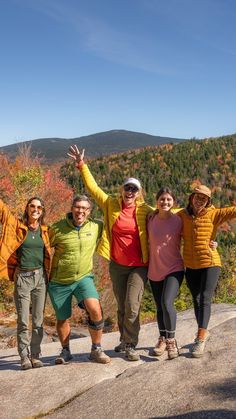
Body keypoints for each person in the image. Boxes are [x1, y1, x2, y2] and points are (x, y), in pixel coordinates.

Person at [68, 145, 153, 361]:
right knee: (122, 305)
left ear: (139, 192)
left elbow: (169, 216)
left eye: (134, 189)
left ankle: (131, 344)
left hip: (139, 265)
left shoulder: (146, 210)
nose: (130, 192)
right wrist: (81, 165)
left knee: (132, 305)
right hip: (117, 264)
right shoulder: (110, 204)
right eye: (127, 188)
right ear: (122, 190)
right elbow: (93, 187)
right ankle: (124, 340)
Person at [48, 194, 110, 364]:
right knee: (62, 318)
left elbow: (115, 224)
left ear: (89, 211)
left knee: (95, 309)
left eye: (84, 208)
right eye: (77, 207)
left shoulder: (96, 226)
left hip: (84, 278)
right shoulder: (57, 228)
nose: (80, 211)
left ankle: (96, 349)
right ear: (72, 208)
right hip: (59, 281)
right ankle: (65, 351)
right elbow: (42, 247)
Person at [178, 184, 236, 357]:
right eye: (197, 197)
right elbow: (164, 214)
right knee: (196, 299)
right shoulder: (181, 215)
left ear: (208, 201)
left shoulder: (214, 214)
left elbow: (233, 211)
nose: (199, 201)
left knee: (205, 297)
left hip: (211, 262)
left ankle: (200, 338)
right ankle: (202, 331)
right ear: (191, 198)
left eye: (204, 199)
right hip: (190, 264)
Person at [0, 196, 51, 370]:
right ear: (27, 208)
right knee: (23, 320)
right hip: (22, 278)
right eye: (32, 206)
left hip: (40, 279)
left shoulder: (45, 231)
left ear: (42, 211)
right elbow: (4, 212)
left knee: (38, 320)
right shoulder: (18, 227)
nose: (35, 209)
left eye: (39, 207)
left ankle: (35, 354)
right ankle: (24, 355)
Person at [147, 187, 184, 360]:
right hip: (155, 269)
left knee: (167, 302)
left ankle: (171, 341)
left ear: (173, 202)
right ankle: (162, 338)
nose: (165, 202)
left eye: (169, 199)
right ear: (157, 201)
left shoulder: (179, 220)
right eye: (162, 199)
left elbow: (196, 232)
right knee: (159, 306)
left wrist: (212, 243)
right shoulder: (150, 218)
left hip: (174, 268)